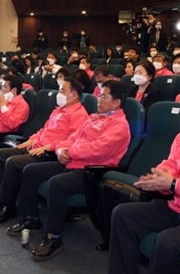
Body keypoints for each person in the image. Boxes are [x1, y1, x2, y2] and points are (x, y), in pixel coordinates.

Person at [7, 80, 130, 261]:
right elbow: (72, 137)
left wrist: (69, 152)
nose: (99, 98)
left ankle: (53, 238)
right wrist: (61, 150)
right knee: (31, 171)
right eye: (99, 94)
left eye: (104, 96)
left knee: (57, 184)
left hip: (91, 172)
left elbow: (98, 150)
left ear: (117, 102)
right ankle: (32, 219)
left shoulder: (119, 126)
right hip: (71, 162)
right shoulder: (94, 117)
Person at [0, 78, 88, 224]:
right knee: (0, 154)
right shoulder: (58, 110)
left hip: (49, 154)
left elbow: (71, 140)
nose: (58, 94)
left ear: (74, 95)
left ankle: (9, 207)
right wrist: (31, 140)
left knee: (13, 163)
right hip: (36, 146)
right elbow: (44, 129)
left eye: (62, 91)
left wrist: (48, 147)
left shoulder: (80, 115)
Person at [108, 133, 180, 274]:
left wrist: (173, 184)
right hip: (176, 207)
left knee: (167, 242)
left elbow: (174, 183)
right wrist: (159, 177)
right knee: (123, 215)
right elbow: (171, 163)